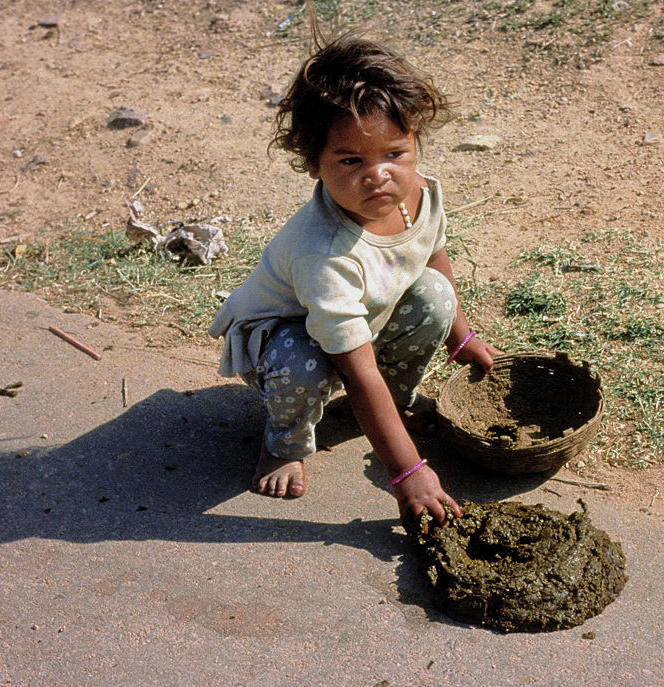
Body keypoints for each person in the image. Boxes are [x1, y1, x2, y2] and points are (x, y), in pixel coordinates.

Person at [208, 27, 501, 525]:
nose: (378, 175)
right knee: (304, 360)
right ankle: (284, 443)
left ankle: (397, 401)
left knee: (434, 294)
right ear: (313, 164)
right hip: (279, 344)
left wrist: (462, 337)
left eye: (394, 154)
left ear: (415, 144)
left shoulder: (423, 195)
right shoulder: (322, 254)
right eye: (351, 160)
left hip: (364, 318)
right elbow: (356, 369)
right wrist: (408, 473)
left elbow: (434, 257)